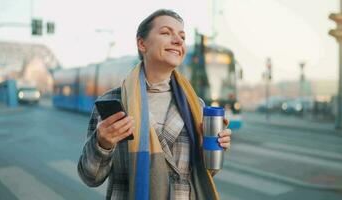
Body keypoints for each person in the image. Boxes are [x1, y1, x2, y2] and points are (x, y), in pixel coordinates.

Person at [78, 9, 231, 200]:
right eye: (166, 33)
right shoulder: (114, 102)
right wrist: (103, 144)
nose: (178, 40)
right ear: (142, 44)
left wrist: (215, 148)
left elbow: (206, 172)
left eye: (182, 36)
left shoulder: (196, 106)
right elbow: (90, 177)